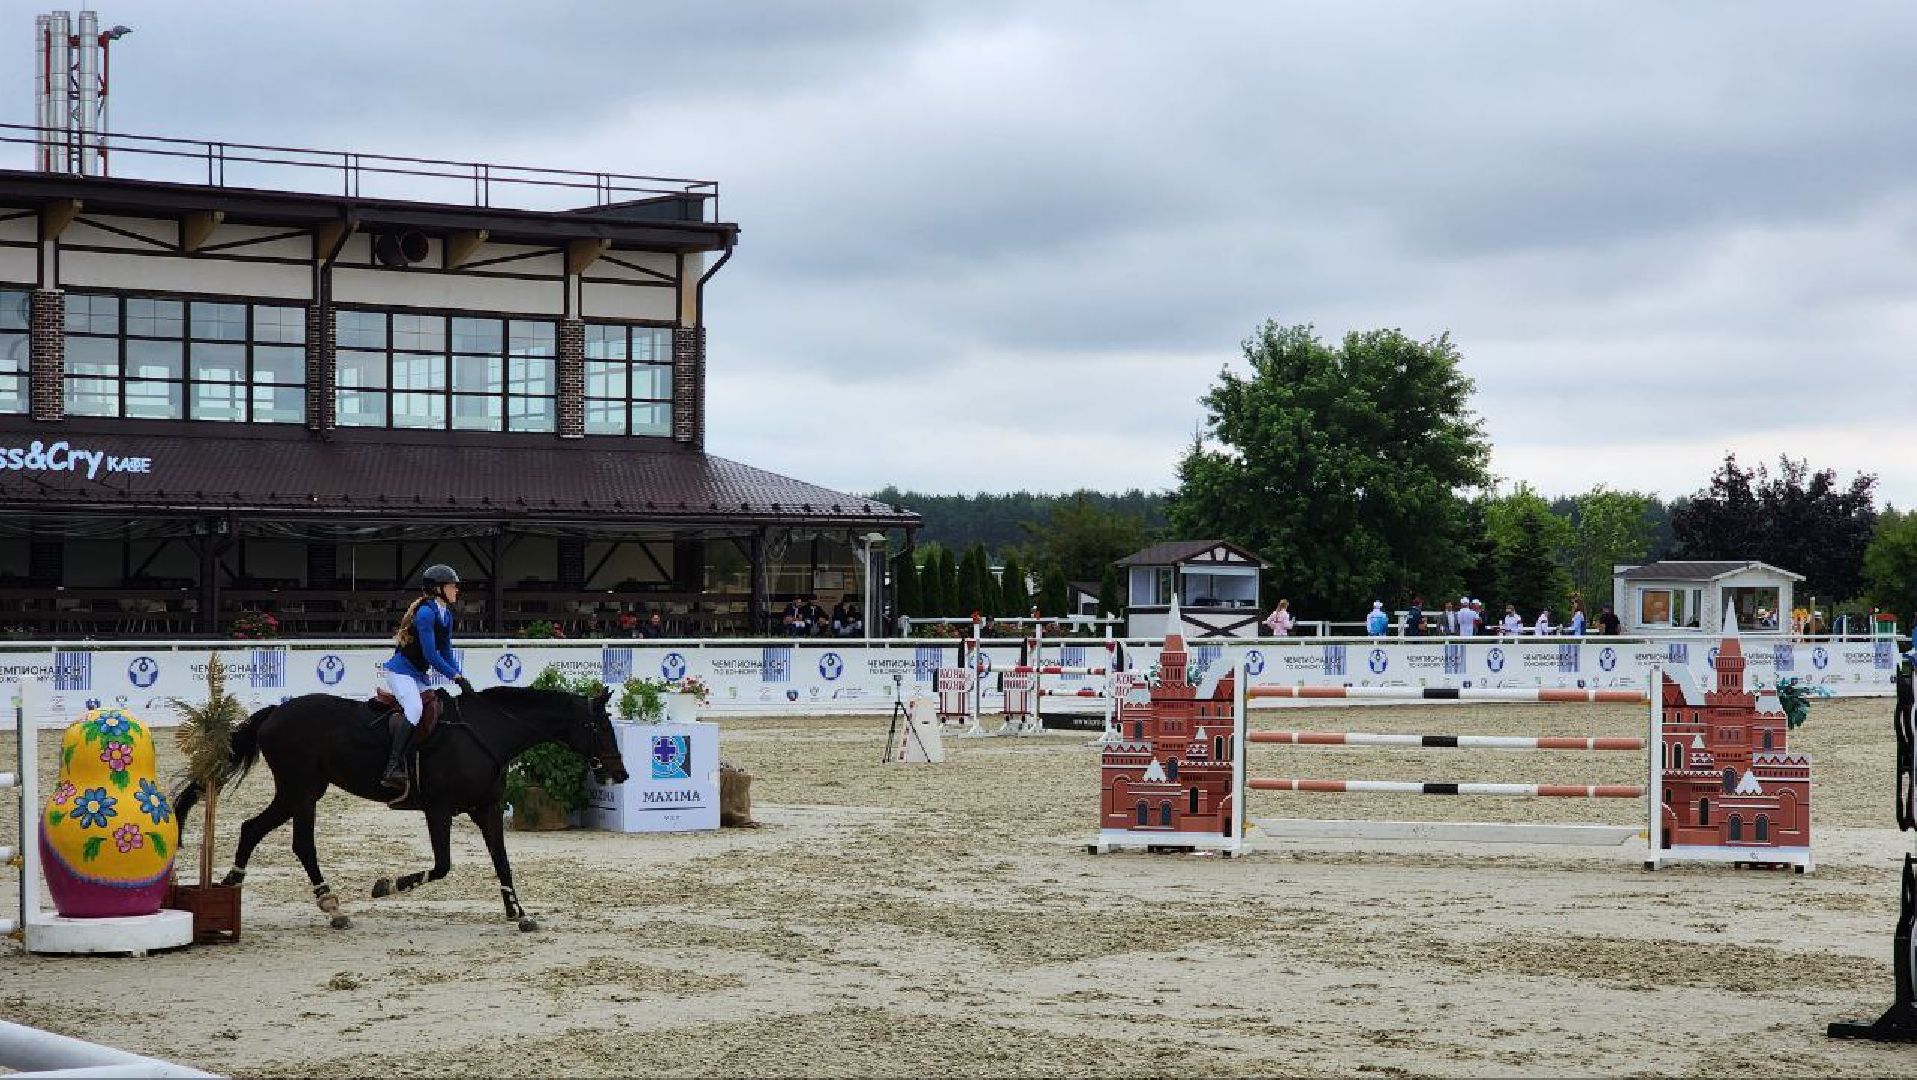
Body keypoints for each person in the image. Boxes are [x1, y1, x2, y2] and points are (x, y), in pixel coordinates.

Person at [380, 564, 472, 789]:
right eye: (452, 587)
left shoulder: (446, 615)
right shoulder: (425, 613)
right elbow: (431, 655)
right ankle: (393, 766)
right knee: (414, 708)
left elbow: (446, 652)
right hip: (400, 672)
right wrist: (455, 678)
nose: (456, 591)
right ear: (439, 589)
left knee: (435, 705)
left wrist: (460, 676)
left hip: (417, 674)